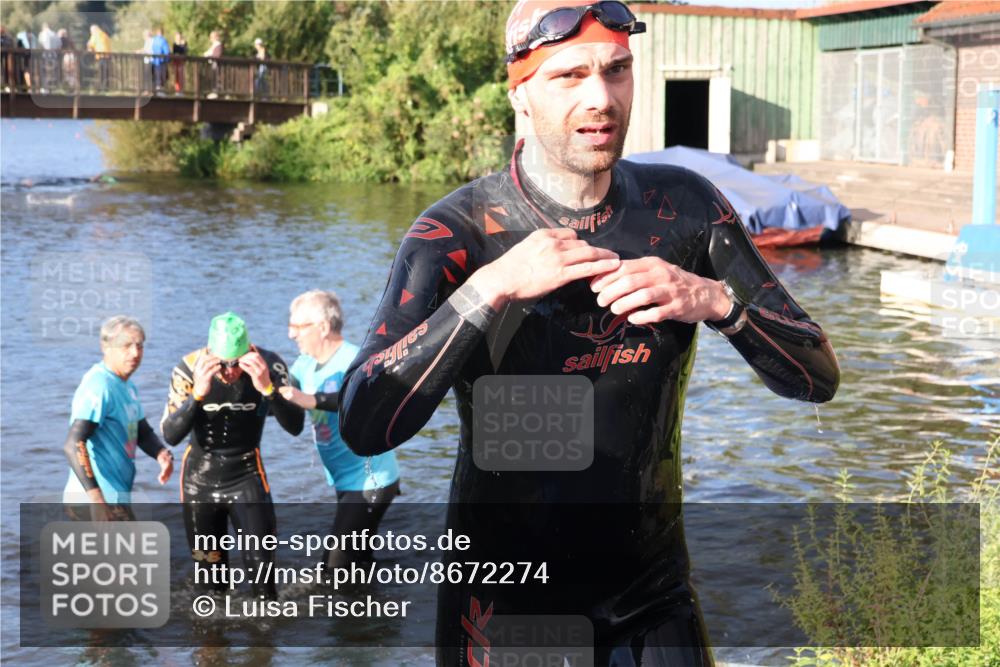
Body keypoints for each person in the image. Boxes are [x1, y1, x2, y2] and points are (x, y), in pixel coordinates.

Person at [337, 0, 840, 664]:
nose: (601, 98)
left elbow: (819, 377)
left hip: (653, 595)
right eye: (569, 76)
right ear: (520, 94)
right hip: (508, 608)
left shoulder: (685, 210)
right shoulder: (456, 234)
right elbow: (364, 420)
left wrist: (716, 300)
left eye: (617, 70)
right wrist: (490, 290)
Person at [160, 312, 304, 600]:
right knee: (210, 586)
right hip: (199, 481)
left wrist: (268, 388)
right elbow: (170, 435)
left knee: (264, 581)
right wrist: (197, 395)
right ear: (210, 354)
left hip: (247, 474)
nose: (229, 372)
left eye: (237, 364)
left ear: (249, 352)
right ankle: (210, 646)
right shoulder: (189, 369)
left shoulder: (270, 365)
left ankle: (264, 645)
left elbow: (295, 426)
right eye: (222, 364)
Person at [279, 290, 401, 568]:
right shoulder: (304, 364)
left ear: (322, 327)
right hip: (344, 480)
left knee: (335, 569)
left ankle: (365, 606)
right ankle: (376, 600)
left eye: (298, 326)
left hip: (372, 480)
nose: (291, 334)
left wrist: (312, 400)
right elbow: (283, 395)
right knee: (356, 562)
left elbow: (360, 400)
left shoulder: (355, 360)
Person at [62, 316, 174, 519]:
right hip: (94, 502)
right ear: (106, 347)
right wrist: (96, 501)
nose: (135, 353)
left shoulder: (126, 385)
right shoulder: (99, 386)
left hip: (114, 497)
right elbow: (73, 443)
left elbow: (140, 429)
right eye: (126, 346)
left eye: (139, 346)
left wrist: (160, 453)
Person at [86, 24, 111, 90]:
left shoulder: (95, 35)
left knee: (102, 72)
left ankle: (102, 87)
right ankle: (106, 87)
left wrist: (89, 49)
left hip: (101, 56)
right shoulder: (104, 34)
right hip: (108, 56)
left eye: (91, 31)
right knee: (106, 72)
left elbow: (90, 46)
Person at [202, 30, 223, 98]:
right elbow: (207, 53)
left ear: (216, 37)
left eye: (212, 37)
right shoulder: (214, 45)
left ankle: (216, 92)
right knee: (213, 78)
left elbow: (216, 56)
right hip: (212, 64)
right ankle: (213, 91)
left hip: (216, 65)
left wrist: (208, 56)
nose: (211, 38)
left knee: (216, 78)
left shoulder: (218, 45)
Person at [149, 26, 169, 92]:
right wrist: (167, 60)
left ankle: (156, 89)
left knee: (156, 75)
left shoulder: (154, 40)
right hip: (161, 61)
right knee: (162, 76)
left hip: (154, 61)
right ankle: (161, 90)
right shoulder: (163, 40)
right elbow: (166, 52)